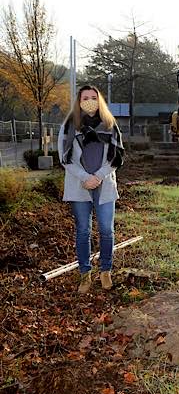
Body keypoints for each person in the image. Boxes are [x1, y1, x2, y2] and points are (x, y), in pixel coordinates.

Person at [58, 85, 124, 293]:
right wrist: (86, 178)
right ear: (79, 101)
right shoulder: (70, 126)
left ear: (99, 100)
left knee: (106, 230)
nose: (89, 101)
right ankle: (85, 274)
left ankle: (106, 271)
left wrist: (99, 176)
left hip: (104, 185)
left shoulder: (110, 124)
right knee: (83, 231)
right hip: (80, 186)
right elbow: (64, 157)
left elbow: (117, 157)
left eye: (93, 97)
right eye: (85, 97)